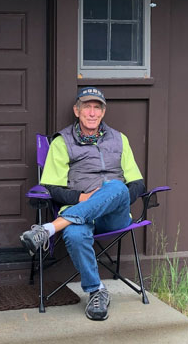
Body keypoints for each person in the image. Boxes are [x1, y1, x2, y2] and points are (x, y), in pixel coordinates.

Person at [19, 86, 145, 321]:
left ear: (103, 112)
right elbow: (52, 187)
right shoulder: (62, 141)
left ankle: (48, 229)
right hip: (79, 210)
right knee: (75, 234)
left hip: (114, 216)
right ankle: (96, 290)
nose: (92, 113)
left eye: (97, 108)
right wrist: (82, 198)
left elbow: (137, 184)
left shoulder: (120, 139)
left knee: (116, 187)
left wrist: (109, 198)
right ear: (76, 111)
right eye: (86, 107)